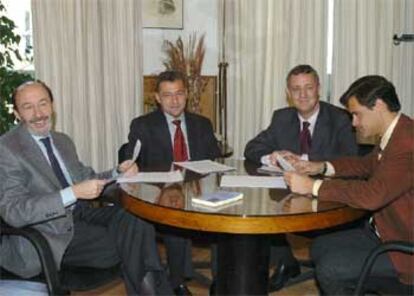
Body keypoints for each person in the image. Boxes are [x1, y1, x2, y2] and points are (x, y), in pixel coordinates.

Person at [0, 80, 172, 295]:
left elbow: (86, 178)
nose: (38, 113)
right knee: (131, 244)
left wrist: (118, 172)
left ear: (52, 106)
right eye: (28, 107)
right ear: (17, 113)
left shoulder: (62, 141)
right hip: (45, 232)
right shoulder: (7, 148)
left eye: (43, 104)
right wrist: (71, 193)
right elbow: (14, 211)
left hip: (79, 214)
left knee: (137, 219)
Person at [284, 75, 414, 295]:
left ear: (379, 106)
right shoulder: (396, 133)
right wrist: (322, 167)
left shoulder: (407, 142)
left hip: (403, 250)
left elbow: (373, 195)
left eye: (356, 114)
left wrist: (312, 187)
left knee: (330, 269)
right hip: (383, 231)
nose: (354, 123)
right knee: (320, 246)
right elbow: (366, 165)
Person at [244, 64, 358, 291]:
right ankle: (286, 262)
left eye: (308, 88)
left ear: (318, 89)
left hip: (328, 196)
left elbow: (351, 161)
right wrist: (272, 157)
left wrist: (305, 161)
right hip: (291, 196)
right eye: (296, 89)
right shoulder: (281, 117)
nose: (303, 95)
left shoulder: (340, 118)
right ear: (288, 93)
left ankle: (324, 266)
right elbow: (251, 148)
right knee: (266, 212)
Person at [125, 70, 220, 295]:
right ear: (157, 98)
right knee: (174, 218)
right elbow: (129, 158)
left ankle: (220, 281)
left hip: (199, 192)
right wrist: (128, 164)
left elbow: (215, 161)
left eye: (179, 94)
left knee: (222, 222)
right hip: (162, 196)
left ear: (186, 94)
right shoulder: (143, 125)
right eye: (167, 95)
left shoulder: (202, 124)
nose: (174, 100)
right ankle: (176, 282)